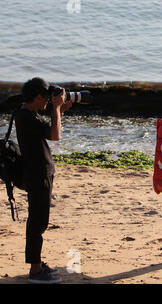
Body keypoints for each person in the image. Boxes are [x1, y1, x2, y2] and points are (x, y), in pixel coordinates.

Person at [15, 77, 72, 283]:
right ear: (38, 96)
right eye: (46, 99)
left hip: (37, 173)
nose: (47, 102)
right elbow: (55, 136)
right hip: (38, 174)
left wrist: (60, 110)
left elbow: (47, 131)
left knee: (38, 220)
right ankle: (36, 270)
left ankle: (37, 264)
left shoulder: (25, 113)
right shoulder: (27, 117)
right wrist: (56, 109)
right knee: (38, 222)